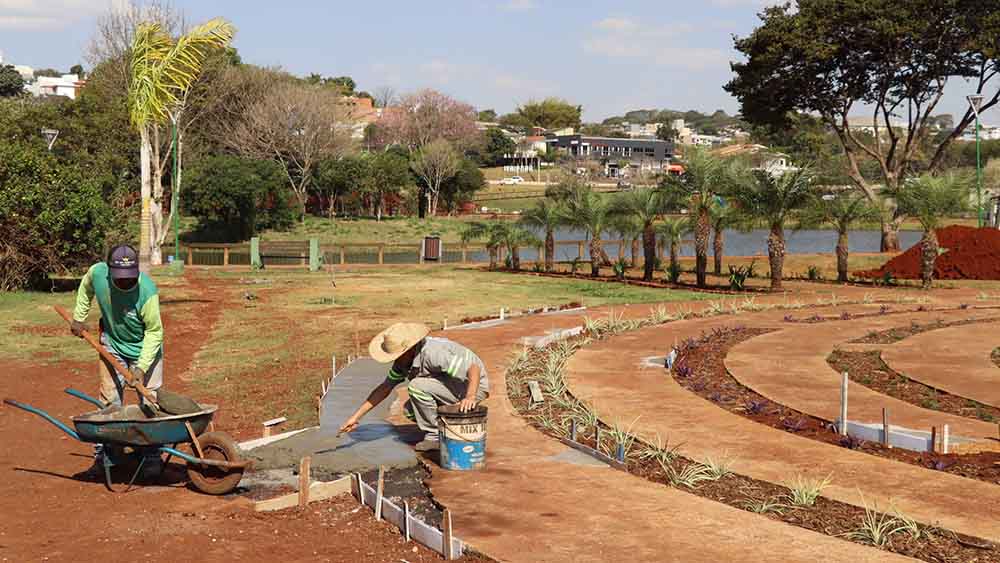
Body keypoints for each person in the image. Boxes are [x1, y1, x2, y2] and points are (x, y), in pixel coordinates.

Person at [338, 323, 489, 451]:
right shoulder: (403, 362)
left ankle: (435, 436)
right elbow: (385, 388)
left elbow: (473, 369)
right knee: (410, 411)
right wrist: (355, 417)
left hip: (471, 385)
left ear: (409, 349)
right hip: (449, 385)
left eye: (397, 356)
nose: (395, 360)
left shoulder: (433, 353)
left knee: (416, 386)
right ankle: (446, 428)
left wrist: (470, 397)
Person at [71, 244, 164, 409]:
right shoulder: (98, 273)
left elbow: (154, 332)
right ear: (109, 272)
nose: (126, 281)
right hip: (112, 343)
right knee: (109, 401)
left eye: (130, 277)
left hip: (144, 349)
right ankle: (111, 424)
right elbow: (86, 286)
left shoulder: (147, 291)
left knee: (150, 402)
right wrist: (79, 318)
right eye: (120, 277)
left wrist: (141, 367)